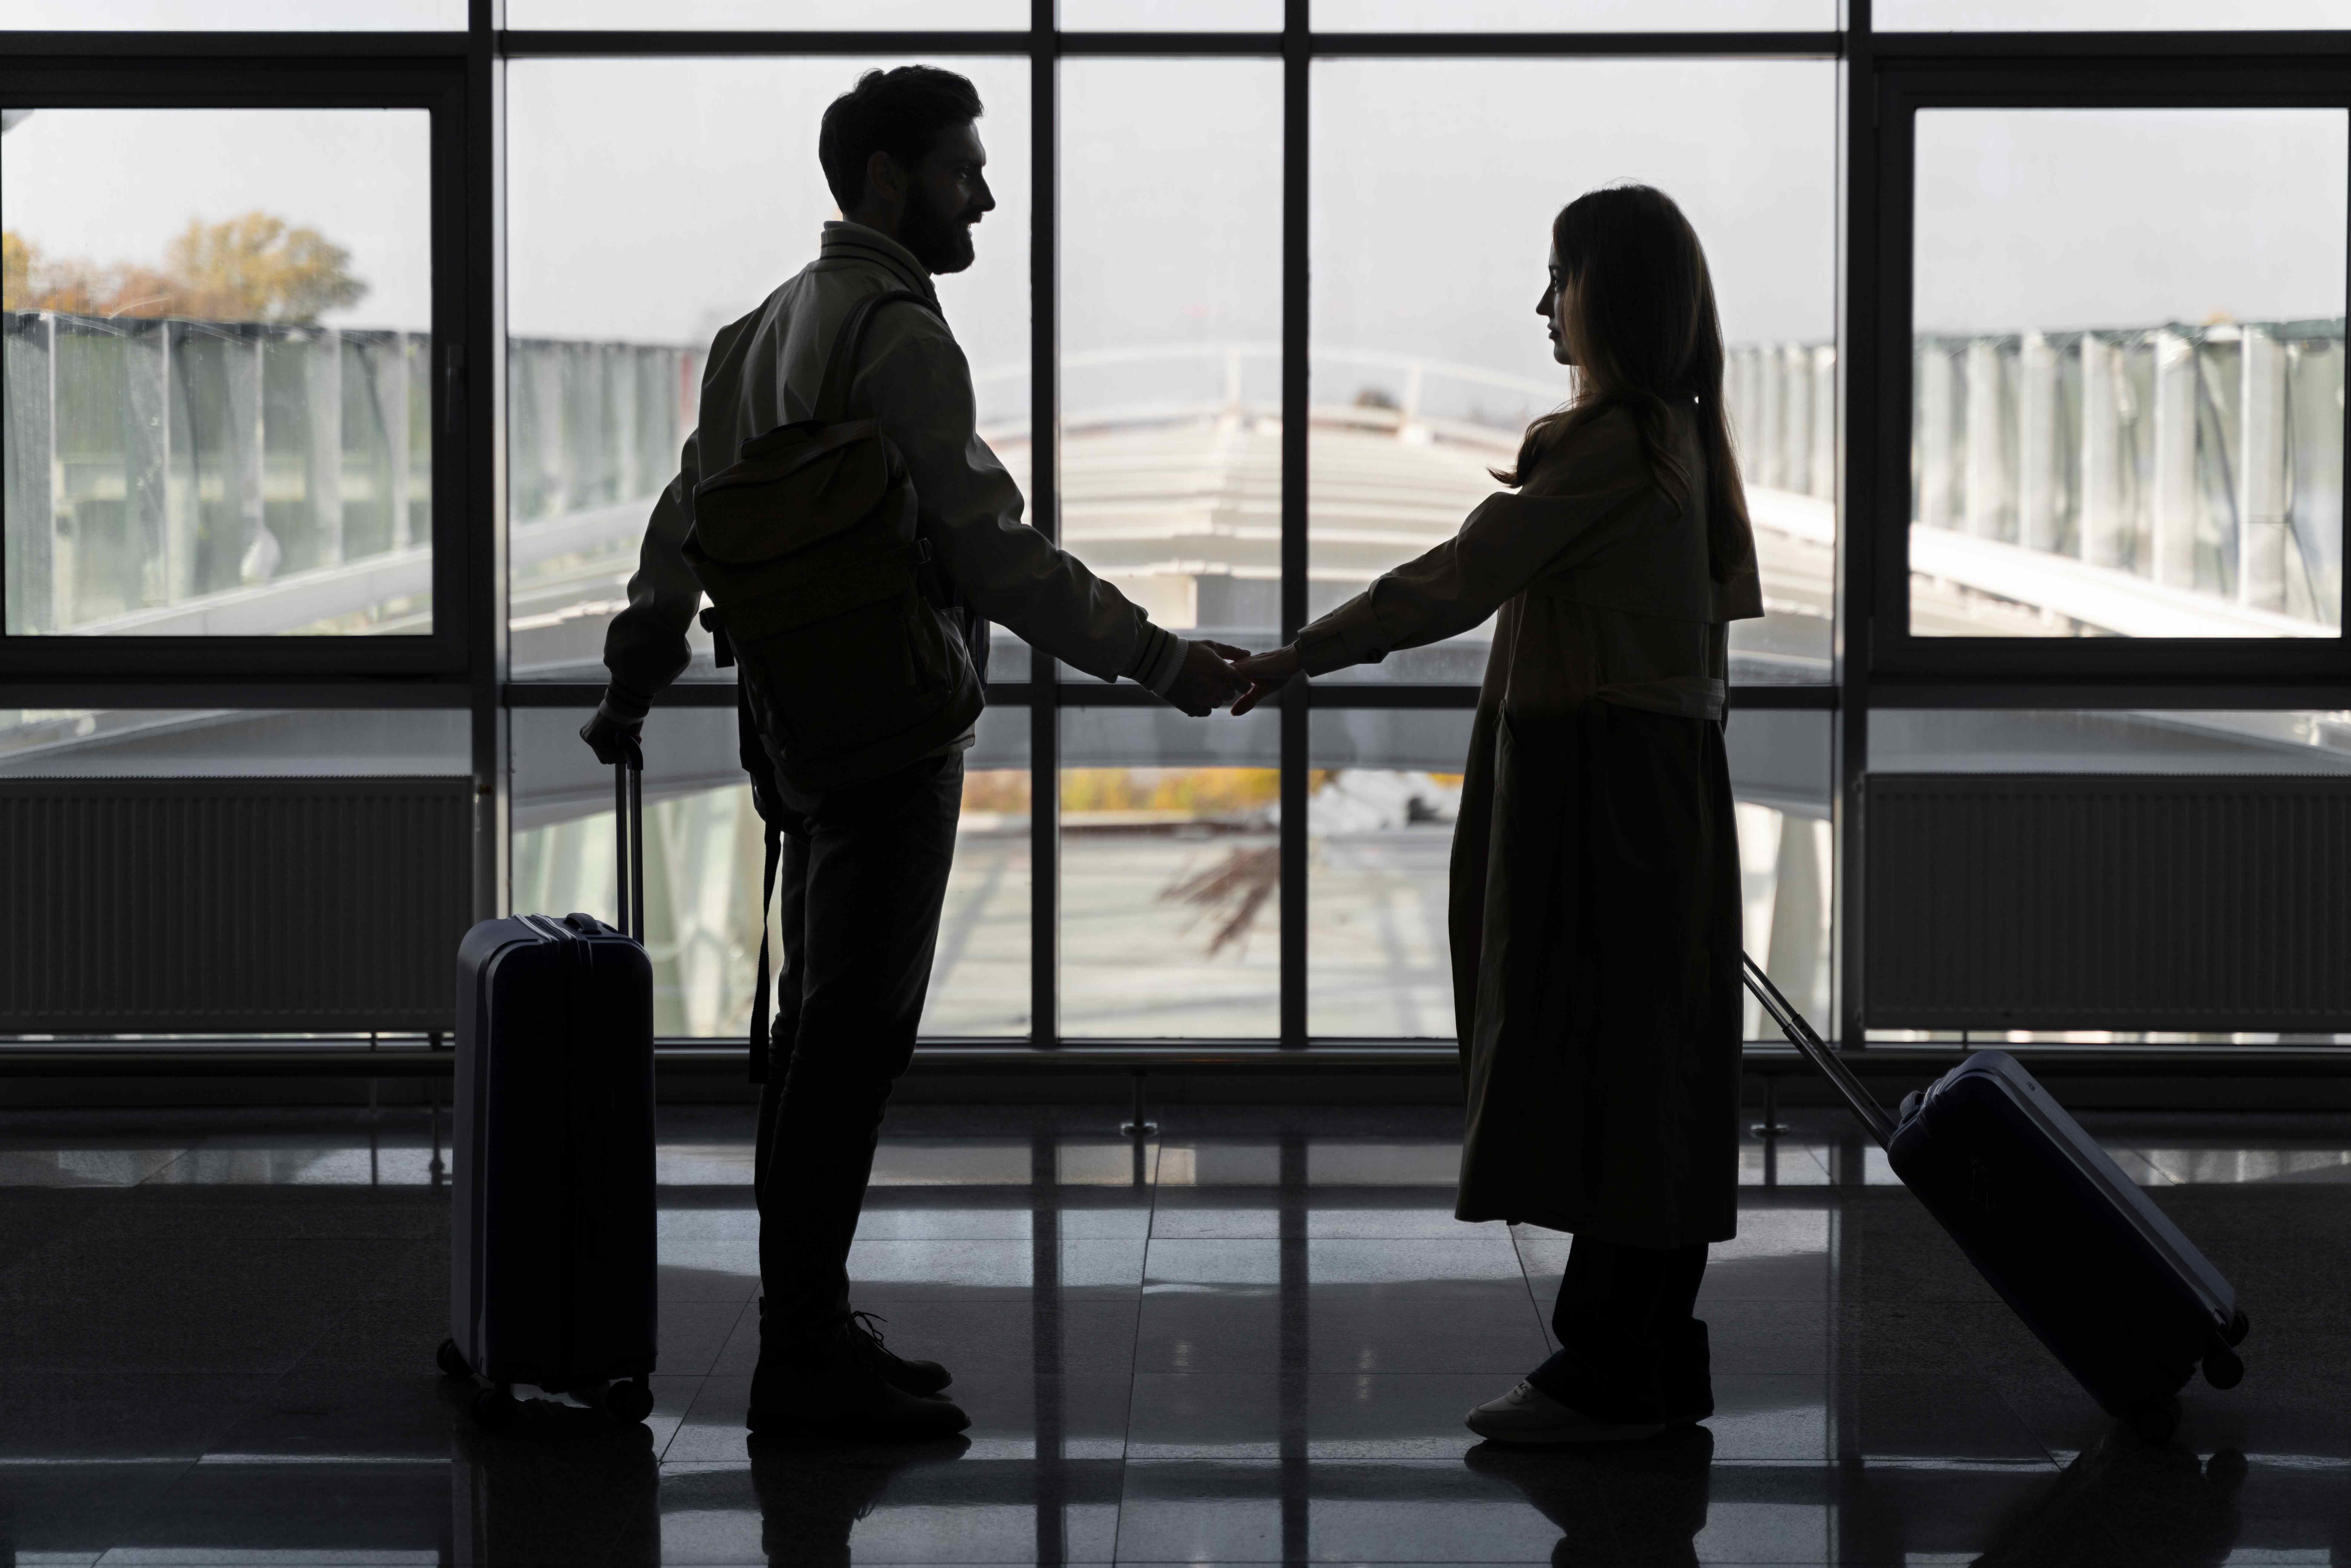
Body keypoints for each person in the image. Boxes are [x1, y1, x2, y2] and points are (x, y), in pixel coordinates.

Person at [581, 65, 1247, 1441]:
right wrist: (1161, 661)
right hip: (891, 728)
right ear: (888, 179)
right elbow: (990, 553)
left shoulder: (752, 334)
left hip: (791, 725)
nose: (984, 197)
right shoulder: (899, 334)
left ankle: (805, 1332)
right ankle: (805, 1349)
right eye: (961, 172)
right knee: (854, 1041)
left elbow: (681, 519)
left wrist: (640, 663)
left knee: (812, 1030)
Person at [1232, 184, 1762, 1444]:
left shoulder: (1601, 448)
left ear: (1608, 297)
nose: (1542, 305)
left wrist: (1297, 656)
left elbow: (1454, 581)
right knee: (1655, 1062)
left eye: (1558, 278)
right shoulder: (1686, 445)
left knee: (1585, 1051)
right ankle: (1648, 1349)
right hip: (1667, 783)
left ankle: (1601, 1370)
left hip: (1591, 788)